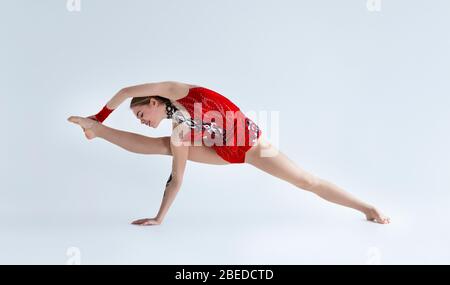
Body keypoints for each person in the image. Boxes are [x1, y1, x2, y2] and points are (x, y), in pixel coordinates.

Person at [68, 81, 390, 226]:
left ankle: (367, 207)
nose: (144, 122)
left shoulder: (175, 91)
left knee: (305, 180)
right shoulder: (179, 128)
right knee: (163, 147)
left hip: (249, 145)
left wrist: (99, 114)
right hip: (220, 149)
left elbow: (125, 92)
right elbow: (176, 179)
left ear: (152, 102)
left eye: (141, 116)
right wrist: (159, 218)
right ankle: (98, 134)